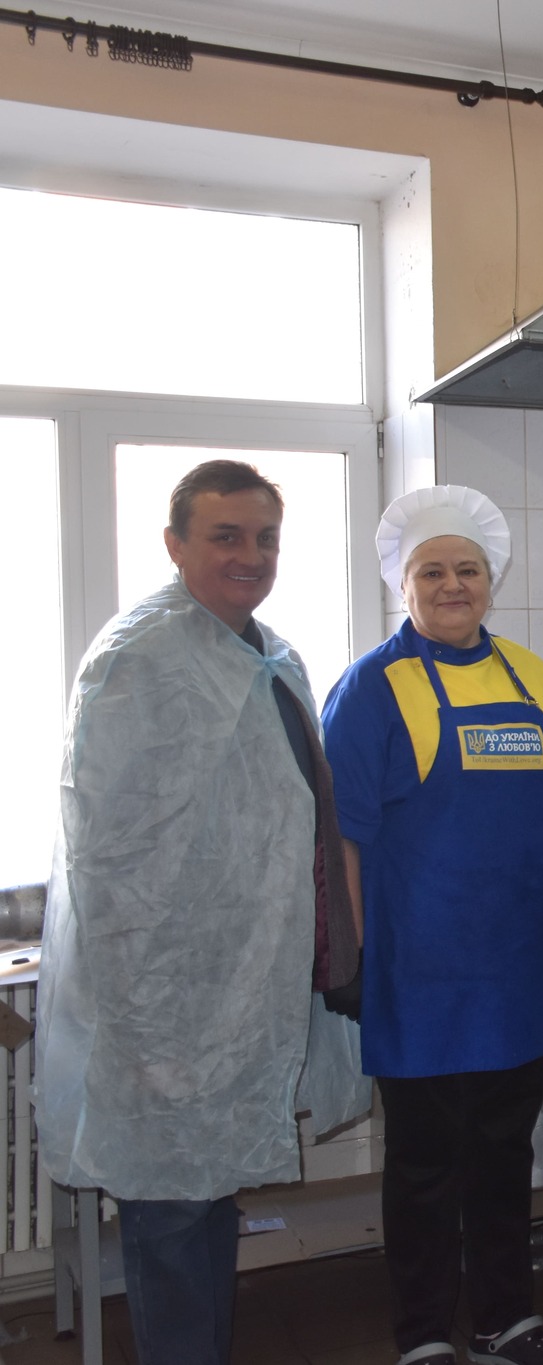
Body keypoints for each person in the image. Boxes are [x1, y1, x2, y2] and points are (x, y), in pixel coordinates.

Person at [36, 460, 365, 1365]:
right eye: (226, 536)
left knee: (207, 1198)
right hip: (162, 1003)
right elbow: (105, 858)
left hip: (241, 991)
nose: (250, 555)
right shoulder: (138, 659)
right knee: (172, 1208)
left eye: (265, 538)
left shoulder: (270, 655)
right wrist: (143, 1026)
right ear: (175, 544)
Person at [322, 486, 543, 1365]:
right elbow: (345, 840)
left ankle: (507, 1320)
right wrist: (352, 958)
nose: (452, 585)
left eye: (467, 569)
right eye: (431, 571)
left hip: (516, 970)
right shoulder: (371, 688)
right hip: (418, 975)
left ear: (490, 580)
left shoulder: (535, 678)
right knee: (425, 1164)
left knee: (505, 1152)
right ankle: (424, 1336)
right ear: (403, 584)